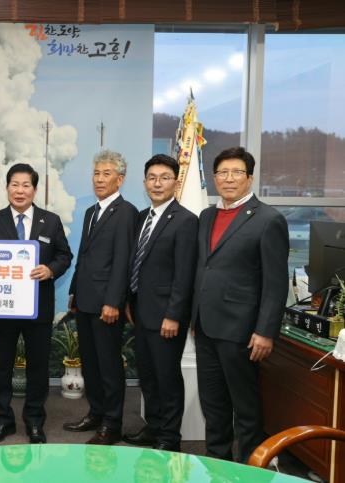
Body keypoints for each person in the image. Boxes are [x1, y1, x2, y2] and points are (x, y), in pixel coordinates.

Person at [193, 146, 289, 463]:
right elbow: (204, 267)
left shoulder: (268, 219)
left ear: (249, 178)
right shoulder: (207, 216)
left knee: (245, 409)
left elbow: (275, 283)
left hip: (242, 331)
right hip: (206, 326)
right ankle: (216, 464)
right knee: (213, 404)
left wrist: (265, 331)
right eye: (222, 172)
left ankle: (250, 468)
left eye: (236, 172)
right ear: (215, 178)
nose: (229, 178)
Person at [0, 163, 72, 445]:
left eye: (26, 185)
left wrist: (50, 269)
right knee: (1, 366)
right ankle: (2, 421)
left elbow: (64, 255)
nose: (20, 191)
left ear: (34, 189)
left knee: (38, 367)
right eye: (14, 185)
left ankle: (34, 421)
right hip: (5, 307)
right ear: (7, 187)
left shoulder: (51, 221)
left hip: (38, 307)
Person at [123, 154, 198, 451]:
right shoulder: (142, 217)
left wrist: (174, 315)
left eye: (164, 178)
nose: (157, 183)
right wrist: (129, 301)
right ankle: (153, 427)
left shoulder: (186, 220)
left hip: (167, 316)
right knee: (148, 376)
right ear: (144, 183)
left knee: (167, 378)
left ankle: (169, 438)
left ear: (175, 183)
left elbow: (184, 274)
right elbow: (136, 263)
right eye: (152, 178)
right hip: (141, 311)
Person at [64, 149, 138, 444]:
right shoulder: (91, 212)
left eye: (106, 174)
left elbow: (123, 261)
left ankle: (112, 423)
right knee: (91, 363)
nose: (99, 179)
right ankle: (96, 413)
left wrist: (113, 301)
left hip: (107, 304)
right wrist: (74, 292)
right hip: (85, 300)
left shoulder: (126, 212)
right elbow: (84, 255)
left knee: (108, 366)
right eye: (96, 173)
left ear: (120, 179)